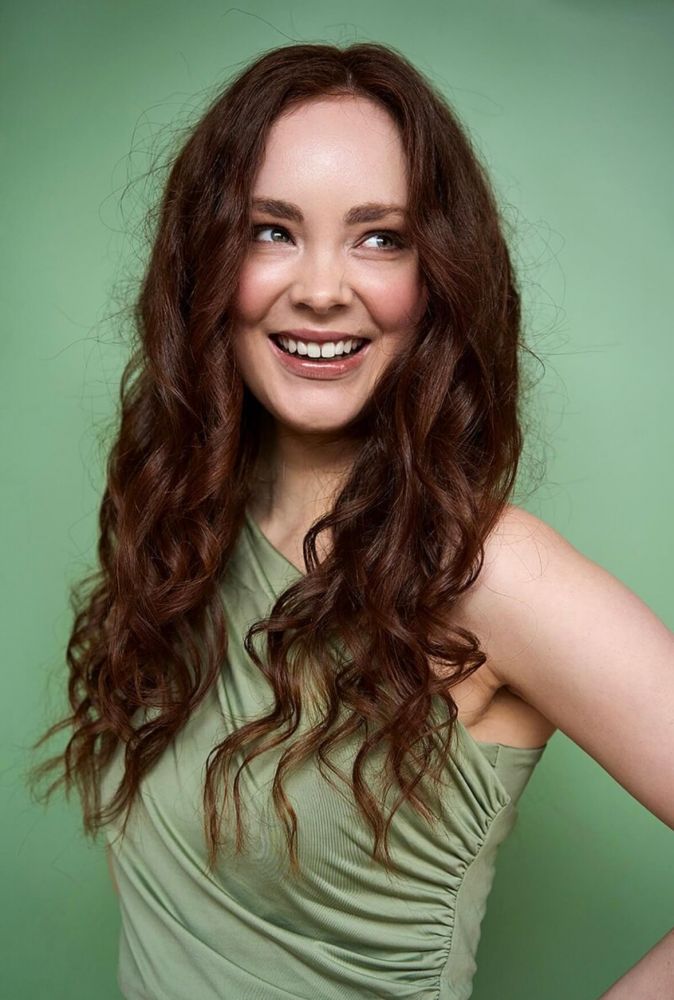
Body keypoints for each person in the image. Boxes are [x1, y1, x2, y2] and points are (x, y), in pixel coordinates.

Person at [28, 41, 673, 1000]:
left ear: (438, 276)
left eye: (380, 238)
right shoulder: (188, 520)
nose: (323, 288)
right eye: (271, 231)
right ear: (206, 261)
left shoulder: (485, 571)